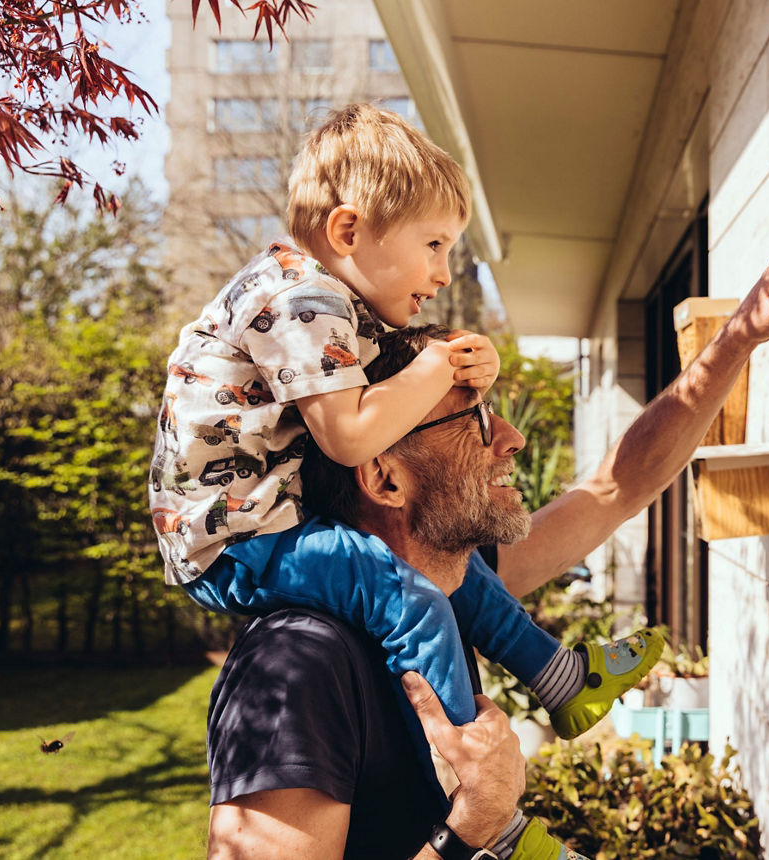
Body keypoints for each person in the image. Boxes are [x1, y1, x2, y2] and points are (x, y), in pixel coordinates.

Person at [204, 198, 769, 859]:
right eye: (474, 422)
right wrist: (472, 828)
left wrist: (740, 337)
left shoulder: (456, 586)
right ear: (385, 477)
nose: (515, 438)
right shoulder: (294, 668)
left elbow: (619, 486)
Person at [147, 102, 663, 762]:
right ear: (349, 231)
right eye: (434, 245)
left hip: (267, 521)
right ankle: (469, 786)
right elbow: (352, 436)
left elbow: (408, 401)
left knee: (445, 561)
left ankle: (559, 677)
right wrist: (438, 363)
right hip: (234, 542)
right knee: (411, 598)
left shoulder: (331, 303)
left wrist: (473, 365)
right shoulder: (299, 297)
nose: (445, 272)